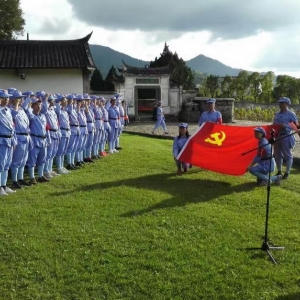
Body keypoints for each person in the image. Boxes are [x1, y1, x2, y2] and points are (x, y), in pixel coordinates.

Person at [273, 97, 300, 180]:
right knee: (277, 155)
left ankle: (287, 172)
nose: (280, 105)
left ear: (286, 104)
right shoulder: (277, 114)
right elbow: (274, 124)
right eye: (279, 103)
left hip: (286, 136)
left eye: (282, 103)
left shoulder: (291, 114)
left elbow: (296, 126)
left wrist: (286, 126)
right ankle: (279, 171)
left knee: (287, 155)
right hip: (277, 136)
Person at [0, 90, 17, 195]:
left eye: (7, 98)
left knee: (7, 164)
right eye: (3, 98)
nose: (6, 100)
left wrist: (14, 140)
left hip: (9, 140)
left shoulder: (8, 111)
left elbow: (12, 126)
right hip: (1, 140)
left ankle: (4, 185)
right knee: (0, 164)